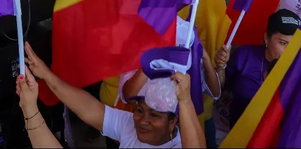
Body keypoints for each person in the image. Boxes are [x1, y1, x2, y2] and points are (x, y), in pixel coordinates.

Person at [24, 41, 204, 148]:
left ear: (172, 122)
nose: (143, 120)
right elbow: (89, 108)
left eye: (155, 115)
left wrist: (185, 101)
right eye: (139, 110)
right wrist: (46, 76)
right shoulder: (129, 126)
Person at [213, 10, 300, 130]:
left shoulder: (299, 71)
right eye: (283, 43)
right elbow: (219, 89)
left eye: (294, 45)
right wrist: (220, 66)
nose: (289, 51)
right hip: (237, 131)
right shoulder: (244, 57)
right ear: (266, 38)